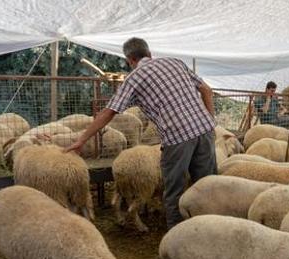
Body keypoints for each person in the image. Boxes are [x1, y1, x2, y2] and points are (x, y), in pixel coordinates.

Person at [65, 37, 216, 229]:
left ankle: (178, 238)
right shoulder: (175, 62)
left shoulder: (134, 78)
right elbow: (207, 90)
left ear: (130, 60)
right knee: (206, 186)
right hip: (204, 130)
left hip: (177, 138)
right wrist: (210, 122)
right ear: (149, 53)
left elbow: (109, 112)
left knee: (174, 193)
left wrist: (81, 140)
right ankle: (210, 231)